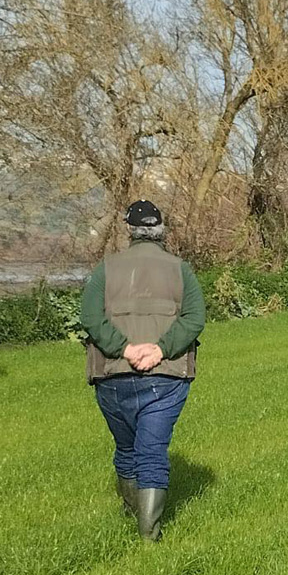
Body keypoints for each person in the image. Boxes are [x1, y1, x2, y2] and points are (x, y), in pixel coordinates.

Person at [81, 200, 206, 542]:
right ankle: (149, 538)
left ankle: (133, 512)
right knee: (151, 451)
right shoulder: (181, 269)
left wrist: (125, 349)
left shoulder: (106, 268)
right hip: (167, 376)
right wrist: (160, 350)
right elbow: (195, 318)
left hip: (112, 375)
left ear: (130, 230)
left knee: (126, 449)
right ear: (160, 229)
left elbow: (90, 317)